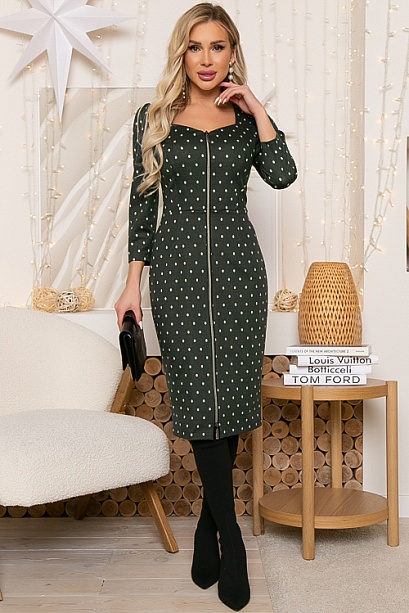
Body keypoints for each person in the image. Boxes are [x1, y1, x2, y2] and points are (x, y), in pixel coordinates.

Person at [115, 3, 297, 610]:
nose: (206, 59)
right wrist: (131, 285)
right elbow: (142, 205)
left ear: (232, 52)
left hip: (241, 278)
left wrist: (259, 109)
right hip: (177, 277)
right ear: (182, 53)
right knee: (198, 400)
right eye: (196, 47)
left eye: (218, 47)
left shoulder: (246, 120)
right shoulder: (154, 119)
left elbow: (283, 175)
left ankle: (206, 526)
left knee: (234, 401)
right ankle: (233, 539)